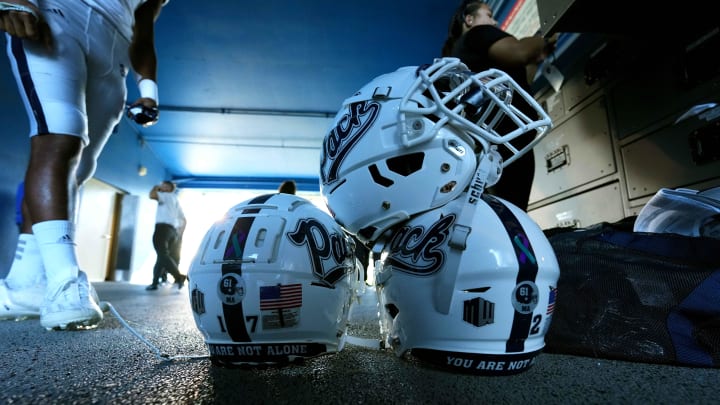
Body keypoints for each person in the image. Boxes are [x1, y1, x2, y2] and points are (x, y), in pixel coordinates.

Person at [0, 0, 167, 330]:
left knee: (79, 167)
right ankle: (64, 281)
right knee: (60, 135)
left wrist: (148, 90)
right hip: (60, 14)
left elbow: (143, 24)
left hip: (115, 47)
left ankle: (23, 285)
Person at [442, 0, 555, 211]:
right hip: (509, 141)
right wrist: (542, 41)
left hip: (486, 147)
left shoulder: (459, 54)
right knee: (514, 215)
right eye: (489, 15)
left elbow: (523, 82)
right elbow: (520, 52)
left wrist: (535, 58)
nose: (494, 22)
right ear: (470, 19)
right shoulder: (478, 34)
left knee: (502, 214)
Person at [147, 181, 186, 291]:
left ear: (169, 188)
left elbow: (152, 195)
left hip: (162, 229)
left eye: (164, 185)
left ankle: (179, 277)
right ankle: (154, 283)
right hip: (172, 231)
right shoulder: (175, 200)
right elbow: (183, 219)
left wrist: (155, 187)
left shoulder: (165, 195)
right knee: (161, 256)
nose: (161, 186)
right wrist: (179, 235)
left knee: (162, 255)